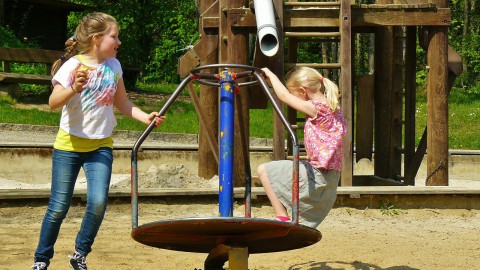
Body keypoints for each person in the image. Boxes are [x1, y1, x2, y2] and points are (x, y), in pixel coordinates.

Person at [31, 12, 166, 270]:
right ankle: (41, 259)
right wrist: (74, 88)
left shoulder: (114, 67)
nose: (119, 42)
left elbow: (123, 102)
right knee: (58, 207)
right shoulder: (72, 66)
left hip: (100, 146)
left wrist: (144, 117)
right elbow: (52, 103)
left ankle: (80, 254)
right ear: (96, 39)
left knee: (98, 202)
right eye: (114, 37)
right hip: (69, 146)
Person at [257, 67, 346, 228]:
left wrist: (270, 74)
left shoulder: (317, 108)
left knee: (264, 170)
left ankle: (282, 217)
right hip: (331, 177)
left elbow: (283, 96)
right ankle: (287, 218)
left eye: (294, 94)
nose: (293, 99)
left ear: (303, 91)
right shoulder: (333, 108)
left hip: (318, 176)